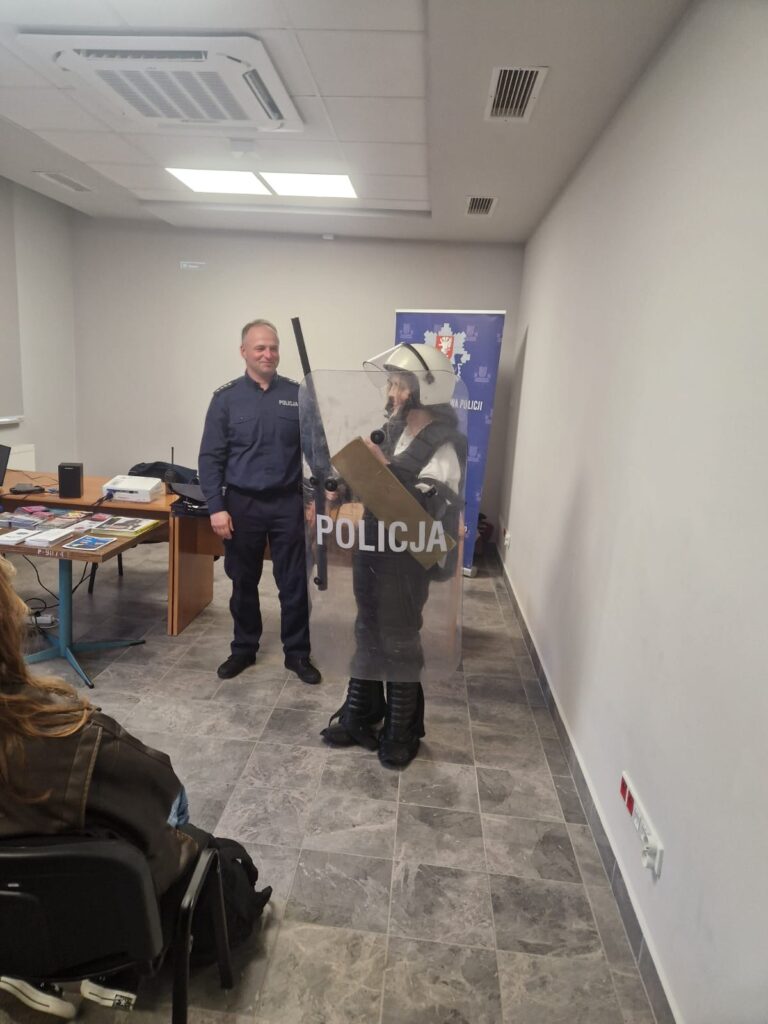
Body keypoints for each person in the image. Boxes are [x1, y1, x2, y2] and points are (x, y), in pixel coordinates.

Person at [0, 558, 202, 1017]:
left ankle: (20, 957)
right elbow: (164, 792)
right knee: (172, 828)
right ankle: (113, 967)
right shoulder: (69, 736)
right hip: (76, 906)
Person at [320, 343, 466, 767]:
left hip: (408, 555)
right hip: (374, 544)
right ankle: (361, 712)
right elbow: (377, 486)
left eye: (401, 385)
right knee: (367, 627)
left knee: (399, 636)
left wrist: (382, 467)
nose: (392, 393)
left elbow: (427, 509)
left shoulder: (443, 445)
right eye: (392, 384)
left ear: (425, 391)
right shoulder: (396, 430)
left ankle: (402, 729)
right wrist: (344, 484)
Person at [198, 319, 320, 685]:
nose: (268, 354)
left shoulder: (298, 395)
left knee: (294, 583)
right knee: (243, 582)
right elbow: (210, 458)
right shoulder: (226, 399)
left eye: (273, 348)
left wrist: (317, 496)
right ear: (244, 352)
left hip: (287, 504)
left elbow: (315, 451)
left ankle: (297, 653)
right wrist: (216, 507)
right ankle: (243, 649)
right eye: (260, 348)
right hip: (241, 505)